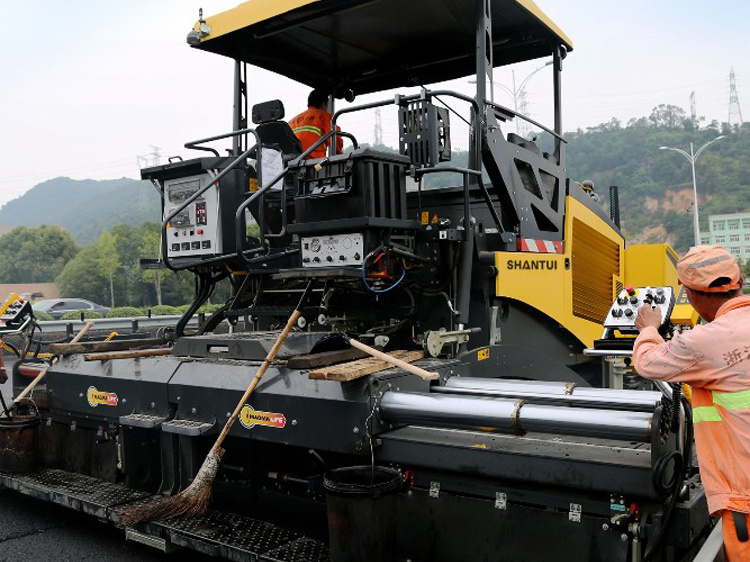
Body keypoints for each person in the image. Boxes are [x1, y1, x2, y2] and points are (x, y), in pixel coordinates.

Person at [633, 245, 750, 561]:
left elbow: (647, 363)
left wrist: (647, 329)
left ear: (693, 295)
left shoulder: (709, 340)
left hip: (745, 499)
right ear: (737, 282)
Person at [288, 89, 343, 159]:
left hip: (293, 164)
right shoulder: (325, 117)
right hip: (314, 164)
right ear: (324, 104)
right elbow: (336, 143)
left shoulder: (291, 121)